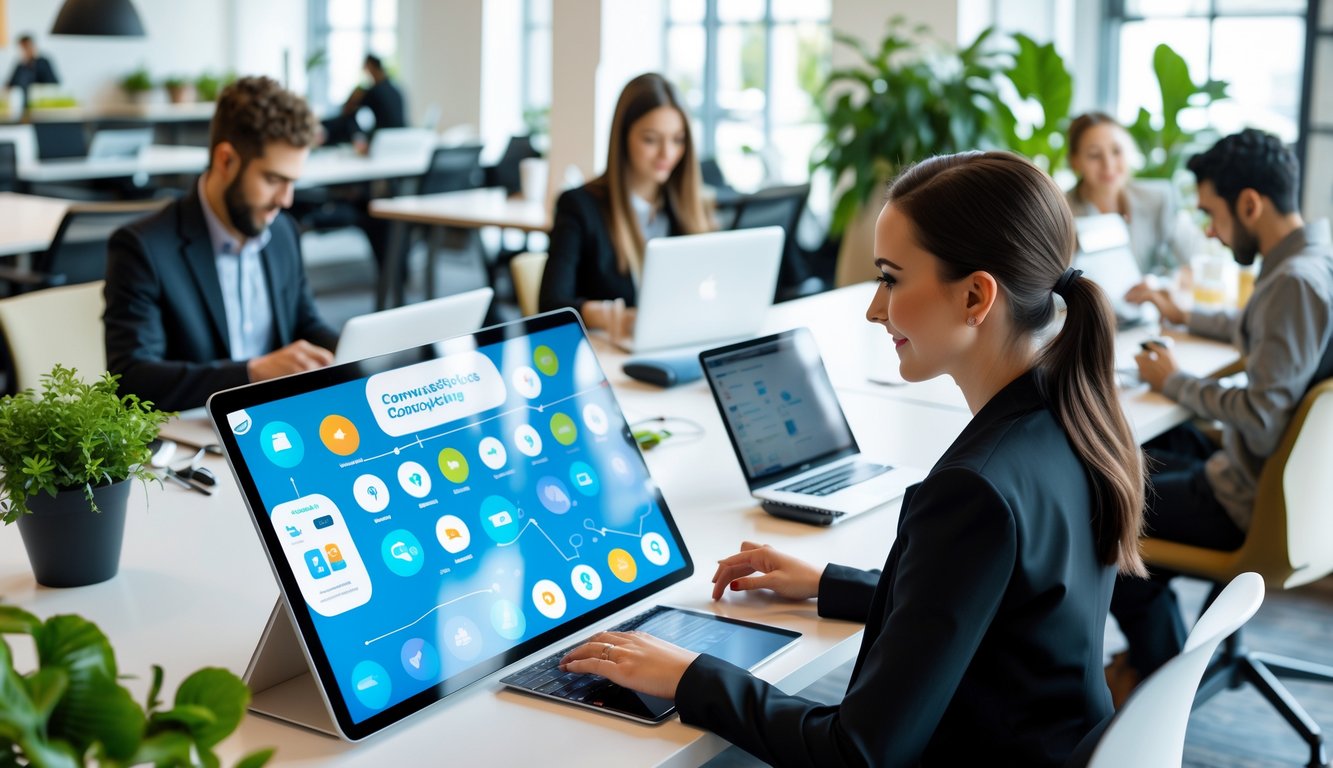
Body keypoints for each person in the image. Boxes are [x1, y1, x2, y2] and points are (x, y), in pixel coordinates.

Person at [560, 152, 1148, 766]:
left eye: (890, 279)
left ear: (976, 295)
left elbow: (856, 753)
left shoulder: (976, 490)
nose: (874, 309)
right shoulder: (1074, 418)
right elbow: (985, 605)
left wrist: (689, 675)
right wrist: (826, 584)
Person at [1111, 129, 1333, 683]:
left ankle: (1157, 681)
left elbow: (1260, 417)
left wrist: (1175, 380)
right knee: (1155, 448)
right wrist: (1186, 316)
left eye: (1213, 212)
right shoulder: (1312, 257)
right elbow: (1261, 331)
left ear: (1250, 203)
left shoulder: (1294, 283)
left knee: (1103, 509)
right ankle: (1162, 652)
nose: (1209, 229)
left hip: (1246, 499)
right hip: (1288, 487)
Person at [104, 76, 339, 413]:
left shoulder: (283, 231)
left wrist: (356, 350)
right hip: (194, 434)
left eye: (292, 183)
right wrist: (250, 373)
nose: (285, 201)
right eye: (273, 179)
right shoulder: (143, 247)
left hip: (275, 421)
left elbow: (304, 323)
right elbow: (132, 379)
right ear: (226, 160)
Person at [537, 73, 711, 341]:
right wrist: (613, 316)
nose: (667, 153)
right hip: (610, 354)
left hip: (678, 341)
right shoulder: (580, 206)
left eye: (677, 140)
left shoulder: (686, 208)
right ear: (623, 138)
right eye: (651, 140)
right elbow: (550, 305)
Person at [1065, 111, 1199, 275]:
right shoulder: (1061, 210)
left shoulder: (1158, 198)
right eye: (1094, 155)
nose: (1108, 165)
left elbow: (1192, 261)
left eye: (1116, 151)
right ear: (1075, 161)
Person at [322, 54, 406, 147]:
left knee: (347, 122)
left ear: (370, 67)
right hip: (401, 137)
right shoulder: (395, 90)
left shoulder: (375, 91)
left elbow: (347, 111)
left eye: (365, 68)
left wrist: (354, 96)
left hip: (383, 140)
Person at [6, 33, 59, 110]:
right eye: (22, 48)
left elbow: (53, 83)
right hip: (22, 106)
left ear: (33, 46)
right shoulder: (20, 66)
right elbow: (10, 84)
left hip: (40, 105)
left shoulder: (43, 62)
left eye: (27, 47)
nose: (25, 51)